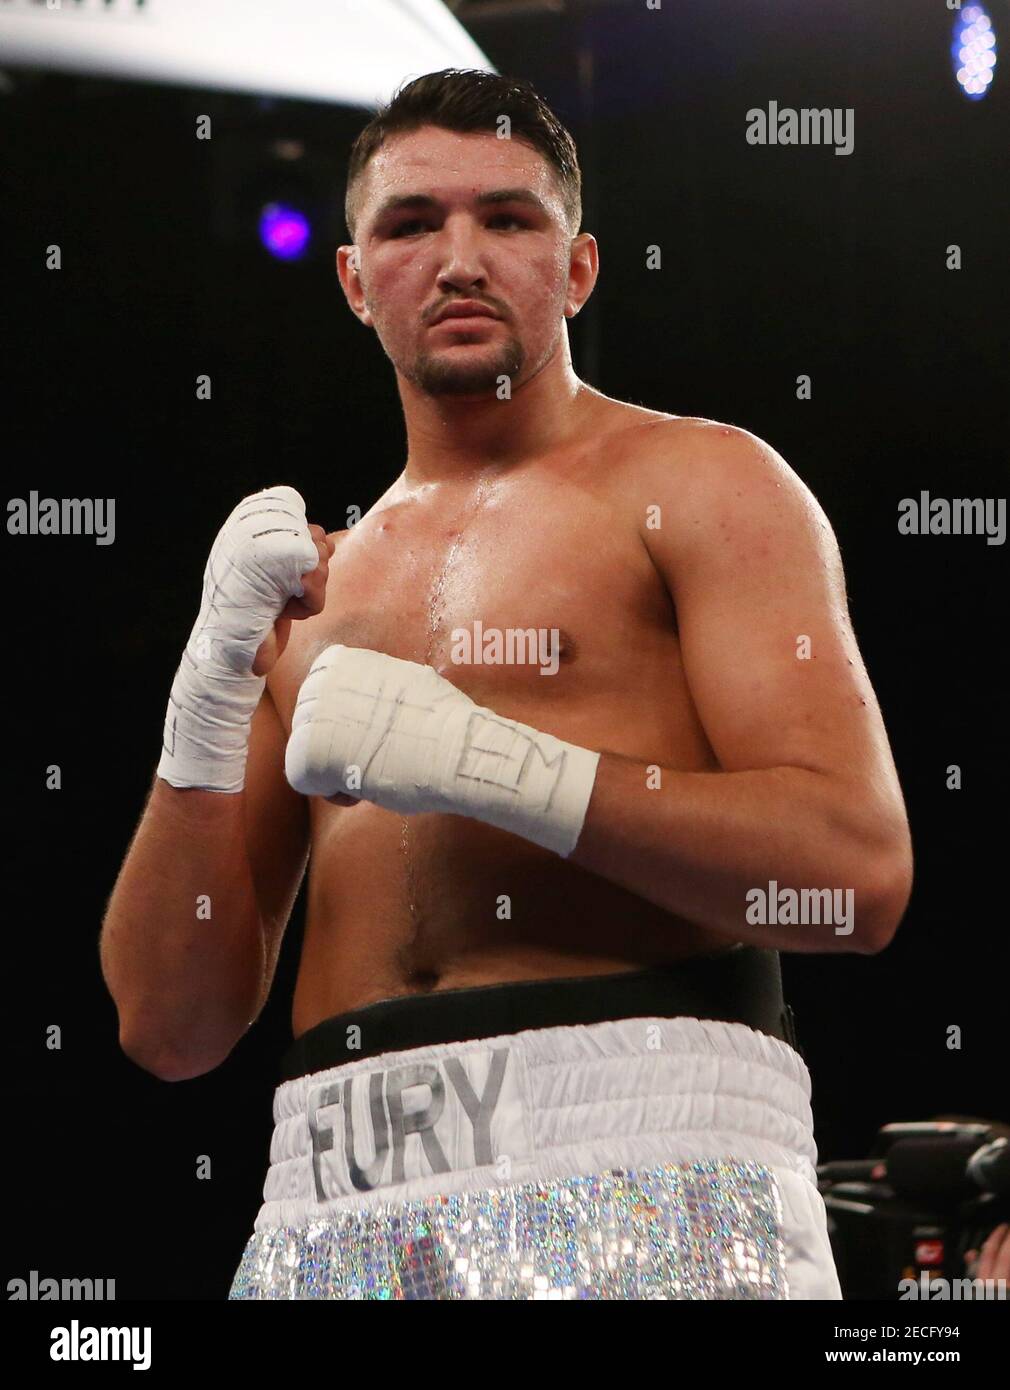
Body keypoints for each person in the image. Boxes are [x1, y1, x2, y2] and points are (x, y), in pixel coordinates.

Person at [100, 68, 913, 1300]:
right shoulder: (305, 590)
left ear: (576, 268)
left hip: (647, 1149)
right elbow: (169, 1028)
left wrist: (499, 766)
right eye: (411, 224)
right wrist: (209, 684)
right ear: (353, 280)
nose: (460, 256)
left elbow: (852, 884)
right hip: (330, 1197)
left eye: (508, 218)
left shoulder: (704, 486)